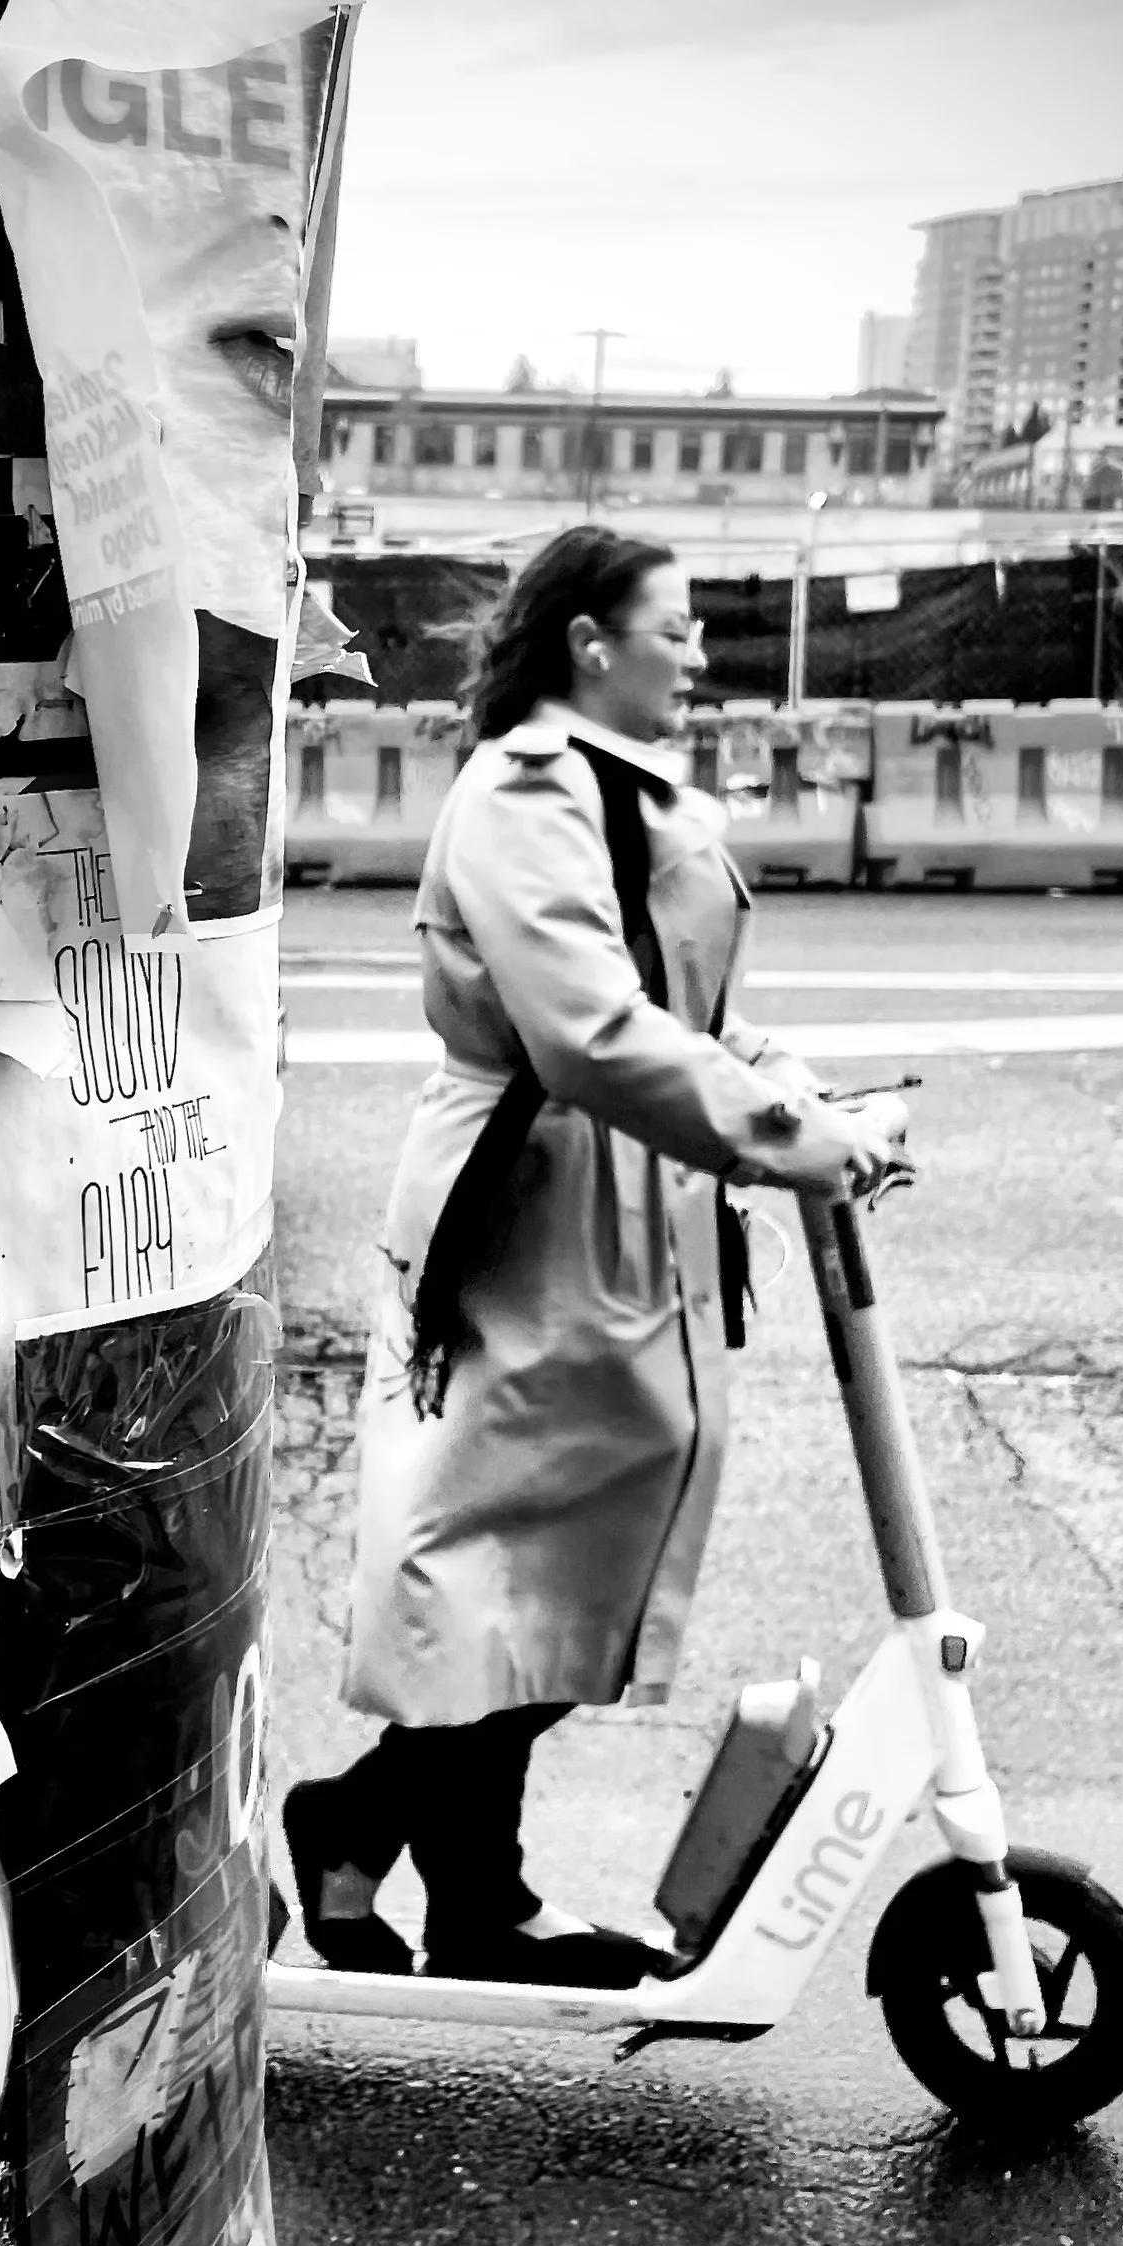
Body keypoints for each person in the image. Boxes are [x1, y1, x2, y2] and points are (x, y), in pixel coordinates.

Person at [282, 527, 890, 1988]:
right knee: (506, 1567)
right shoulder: (526, 793)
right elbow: (588, 1032)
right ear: (587, 643)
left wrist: (804, 1096)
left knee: (551, 1566)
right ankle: (430, 1873)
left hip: (631, 1205)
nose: (698, 652)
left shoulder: (625, 794)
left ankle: (412, 1859)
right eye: (672, 627)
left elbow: (693, 1011)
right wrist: (775, 1132)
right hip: (534, 1206)